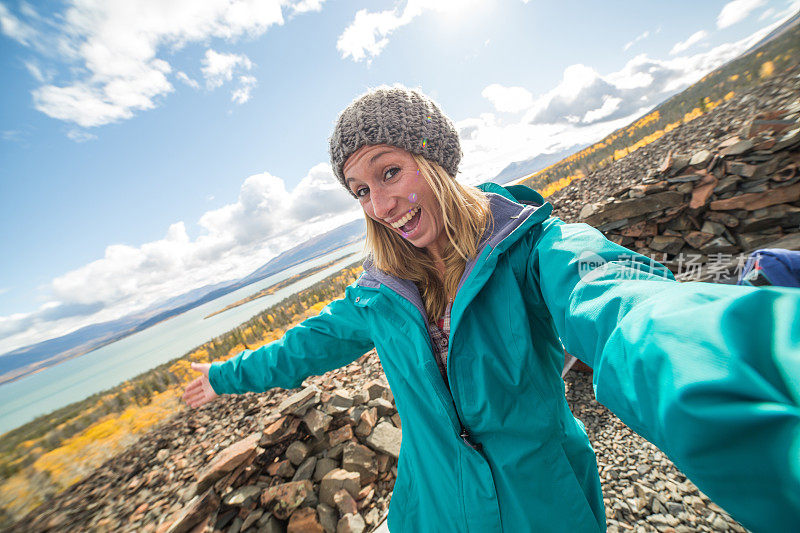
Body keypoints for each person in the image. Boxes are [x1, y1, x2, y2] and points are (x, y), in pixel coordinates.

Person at [182, 86, 800, 532]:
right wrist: (220, 377)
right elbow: (302, 346)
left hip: (544, 508)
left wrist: (749, 358)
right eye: (362, 191)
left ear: (435, 162)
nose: (378, 204)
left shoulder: (535, 248)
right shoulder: (378, 294)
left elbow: (621, 303)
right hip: (432, 513)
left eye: (390, 171)